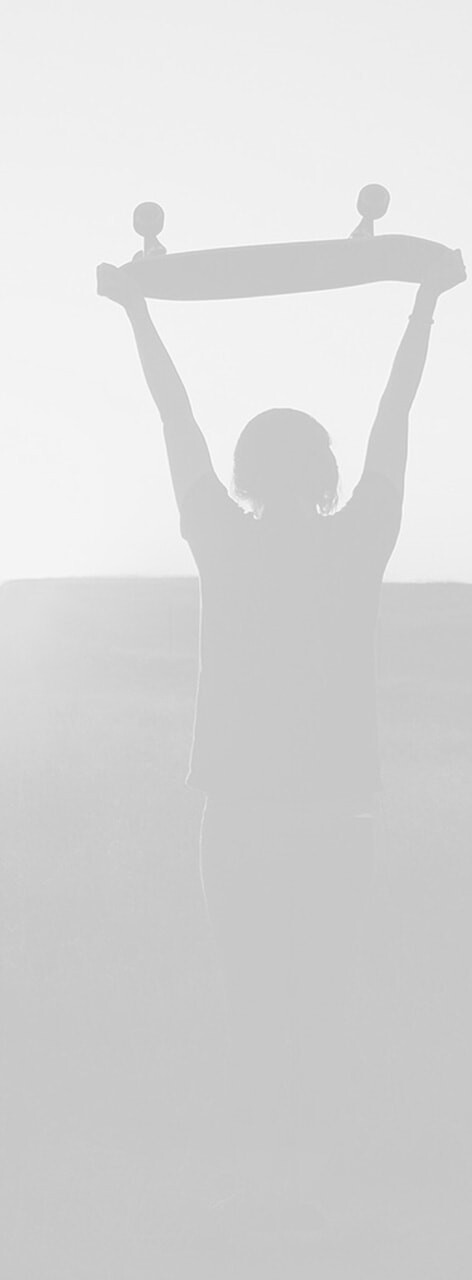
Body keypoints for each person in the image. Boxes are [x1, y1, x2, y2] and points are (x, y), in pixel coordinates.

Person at [98, 248, 465, 1225]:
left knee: (254, 999)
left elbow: (175, 419)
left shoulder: (222, 537)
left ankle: (266, 1187)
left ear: (246, 472)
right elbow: (395, 416)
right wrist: (422, 304)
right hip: (337, 816)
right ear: (327, 472)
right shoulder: (361, 537)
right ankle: (314, 1186)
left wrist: (137, 312)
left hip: (242, 816)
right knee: (321, 1000)